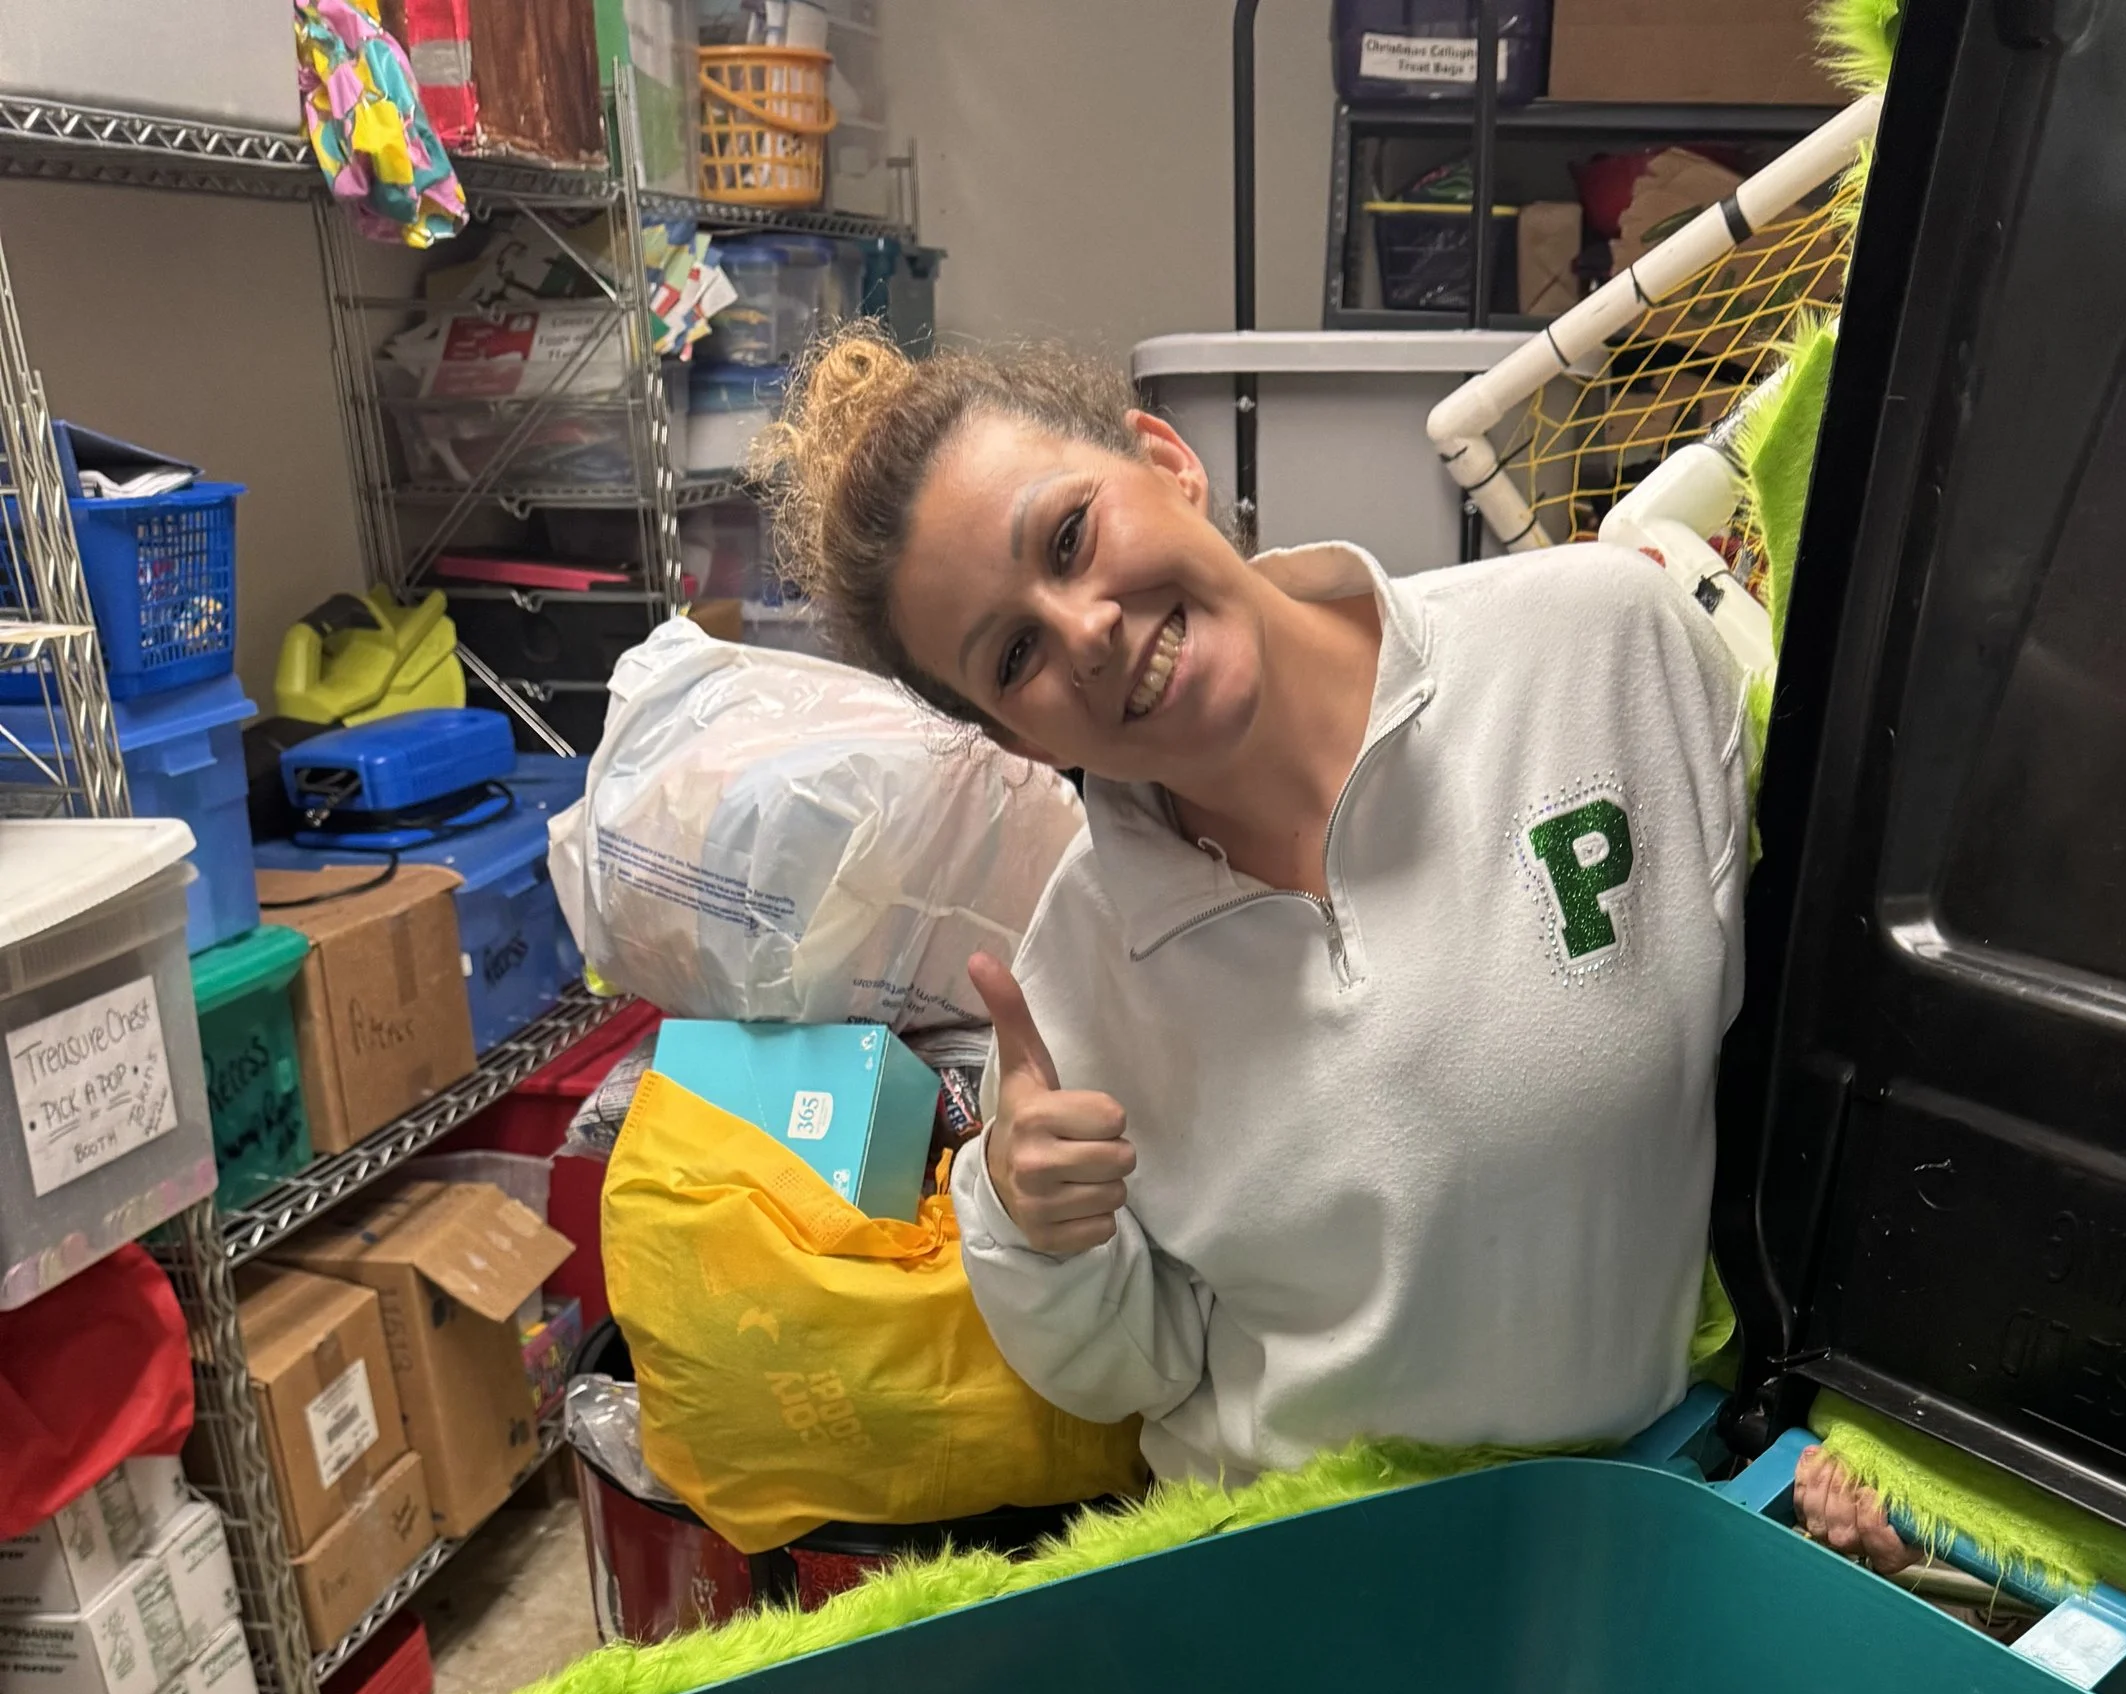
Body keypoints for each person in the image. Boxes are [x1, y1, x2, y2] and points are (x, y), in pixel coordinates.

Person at [774, 331, 1896, 1554]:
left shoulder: (1601, 649)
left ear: (1166, 460)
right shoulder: (1072, 983)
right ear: (1017, 738)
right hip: (1298, 1567)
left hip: (1628, 1523)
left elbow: (1822, 1065)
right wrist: (1030, 1225)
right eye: (1015, 655)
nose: (1083, 629)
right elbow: (1131, 1369)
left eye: (1067, 539)